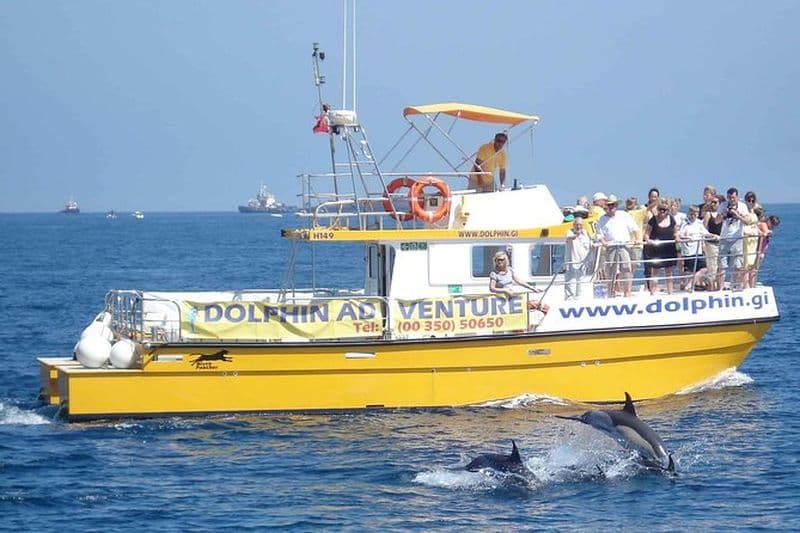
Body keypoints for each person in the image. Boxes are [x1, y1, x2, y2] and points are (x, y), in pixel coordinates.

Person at [596, 194, 638, 297]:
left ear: (616, 205)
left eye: (613, 205)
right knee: (611, 270)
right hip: (611, 247)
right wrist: (603, 241)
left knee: (626, 269)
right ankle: (611, 293)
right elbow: (599, 234)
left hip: (624, 246)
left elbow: (634, 229)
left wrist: (634, 239)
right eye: (609, 205)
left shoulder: (623, 215)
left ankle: (627, 292)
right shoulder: (602, 219)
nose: (611, 207)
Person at [714, 187, 749, 290]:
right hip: (724, 238)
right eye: (729, 197)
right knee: (721, 265)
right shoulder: (723, 206)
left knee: (737, 265)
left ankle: (736, 286)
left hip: (737, 238)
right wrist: (723, 214)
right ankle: (720, 288)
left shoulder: (742, 206)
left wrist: (737, 215)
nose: (731, 200)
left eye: (733, 197)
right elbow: (716, 221)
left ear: (737, 197)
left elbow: (747, 221)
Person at [644, 198, 680, 294]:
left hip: (669, 249)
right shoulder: (653, 220)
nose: (662, 212)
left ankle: (670, 293)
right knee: (655, 272)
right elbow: (646, 234)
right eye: (660, 209)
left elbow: (676, 232)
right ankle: (653, 293)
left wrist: (677, 237)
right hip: (656, 250)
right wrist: (648, 240)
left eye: (665, 210)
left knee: (669, 272)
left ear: (668, 210)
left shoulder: (672, 219)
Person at [678, 205, 713, 289]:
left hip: (698, 251)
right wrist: (686, 238)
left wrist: (714, 236)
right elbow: (680, 235)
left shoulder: (699, 223)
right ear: (689, 213)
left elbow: (705, 233)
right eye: (692, 213)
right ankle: (689, 287)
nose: (693, 215)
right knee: (690, 271)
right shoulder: (685, 223)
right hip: (688, 251)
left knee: (704, 268)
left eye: (696, 214)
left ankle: (690, 285)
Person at [564, 216, 592, 299]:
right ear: (573, 225)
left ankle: (579, 298)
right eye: (576, 225)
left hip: (583, 263)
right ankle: (569, 299)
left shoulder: (586, 233)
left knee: (581, 283)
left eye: (580, 225)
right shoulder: (569, 232)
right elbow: (569, 237)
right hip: (571, 263)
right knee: (570, 283)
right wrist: (575, 235)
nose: (578, 226)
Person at [703, 195, 723, 290]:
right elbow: (704, 229)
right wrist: (711, 236)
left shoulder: (722, 214)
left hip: (721, 243)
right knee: (712, 267)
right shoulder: (708, 214)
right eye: (712, 202)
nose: (713, 204)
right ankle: (711, 288)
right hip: (711, 243)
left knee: (721, 266)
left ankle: (720, 287)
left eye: (716, 202)